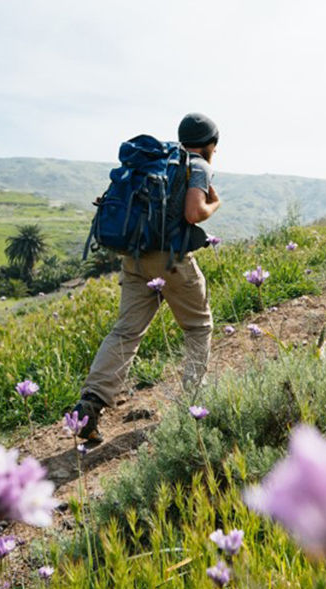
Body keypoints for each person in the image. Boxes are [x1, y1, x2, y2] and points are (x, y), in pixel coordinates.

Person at [73, 113, 221, 441]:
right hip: (170, 260)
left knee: (126, 331)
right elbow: (194, 212)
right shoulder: (197, 166)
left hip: (134, 258)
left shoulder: (158, 160)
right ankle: (196, 405)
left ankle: (90, 404)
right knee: (198, 327)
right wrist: (216, 203)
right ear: (212, 144)